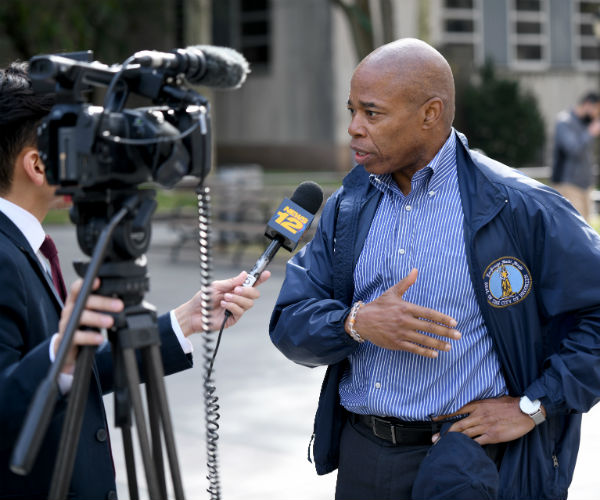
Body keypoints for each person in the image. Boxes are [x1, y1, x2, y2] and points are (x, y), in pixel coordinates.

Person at [269, 38, 600, 500]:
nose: (353, 130)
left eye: (372, 113)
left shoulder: (518, 206)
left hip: (470, 465)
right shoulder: (348, 207)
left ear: (430, 113)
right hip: (361, 457)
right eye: (352, 112)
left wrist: (534, 405)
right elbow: (289, 322)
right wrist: (357, 322)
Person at [0, 61, 270, 499]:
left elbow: (76, 371)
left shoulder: (22, 243)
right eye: (80, 138)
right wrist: (59, 351)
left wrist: (184, 321)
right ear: (37, 164)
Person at [551, 91, 600, 221]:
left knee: (587, 230)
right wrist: (590, 132)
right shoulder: (564, 121)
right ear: (588, 105)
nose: (597, 115)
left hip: (586, 186)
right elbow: (573, 150)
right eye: (597, 110)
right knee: (575, 230)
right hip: (568, 185)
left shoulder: (586, 123)